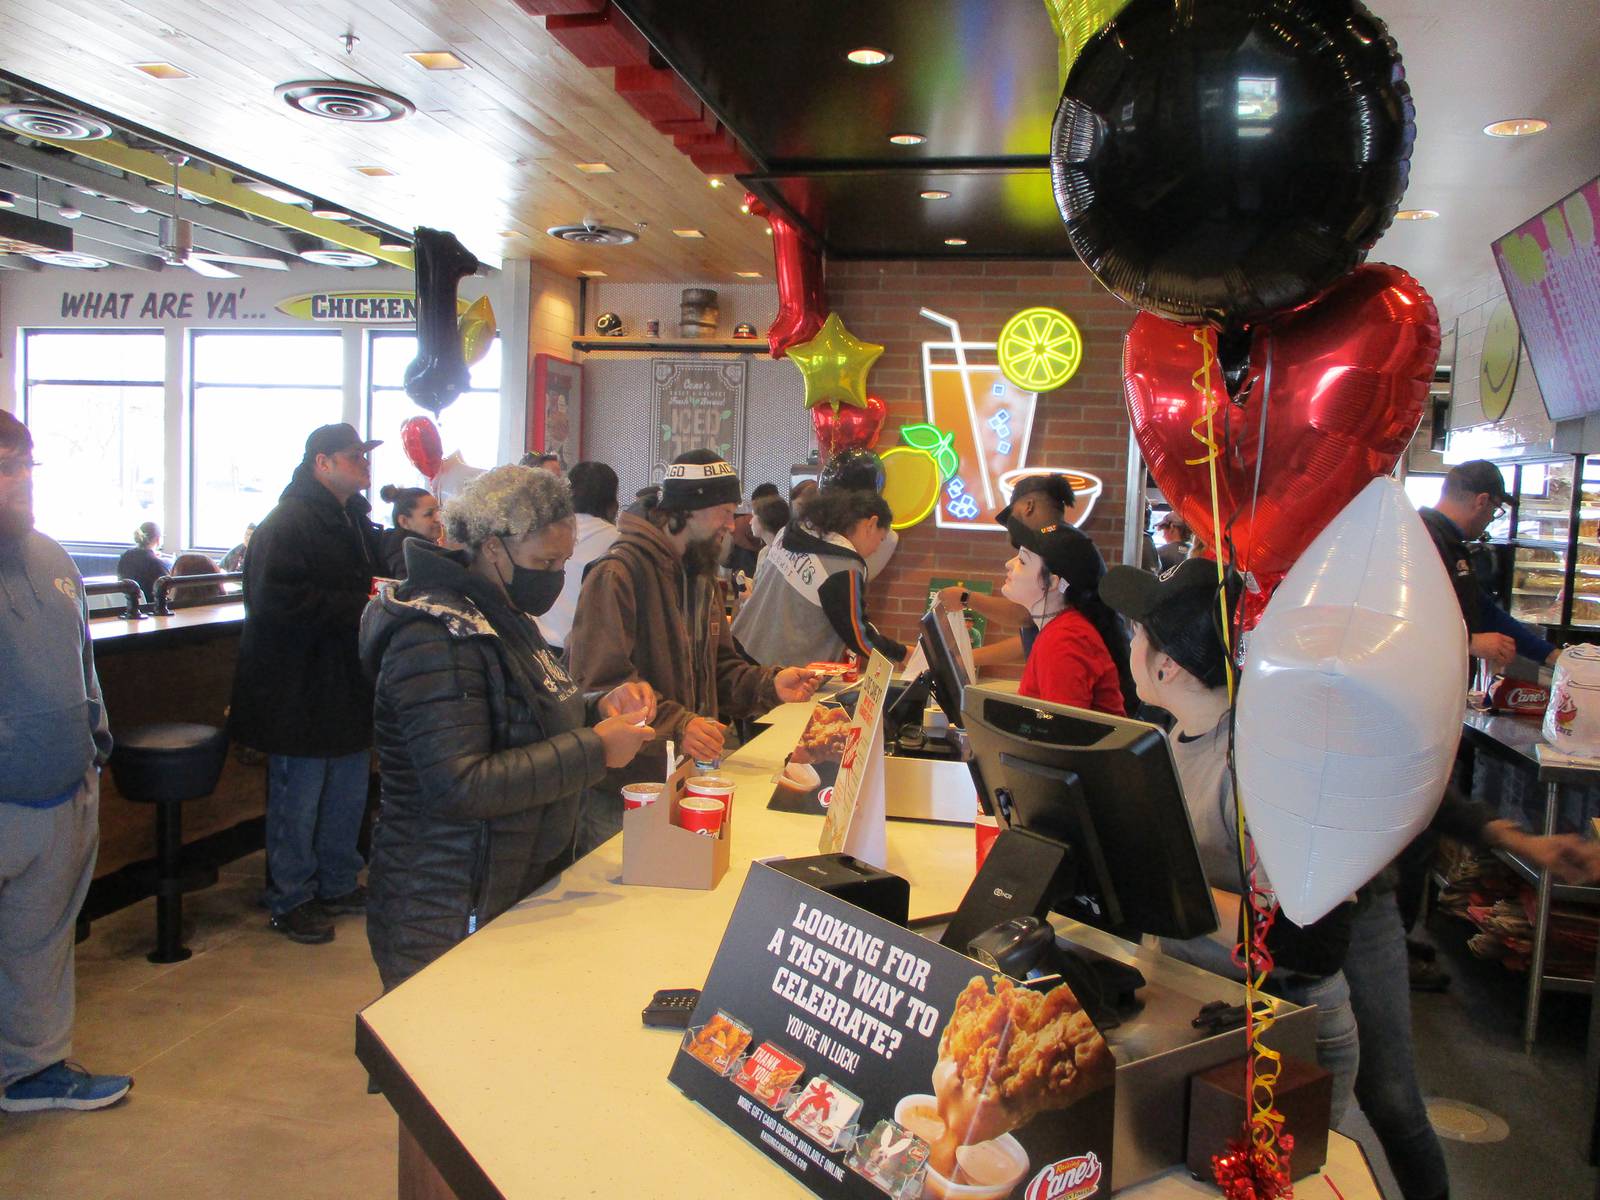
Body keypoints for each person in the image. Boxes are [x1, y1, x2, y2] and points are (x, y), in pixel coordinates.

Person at [359, 466, 655, 992]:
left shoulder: (500, 611)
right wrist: (594, 749)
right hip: (446, 897)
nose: (554, 576)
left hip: (504, 878)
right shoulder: (435, 636)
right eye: (544, 562)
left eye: (563, 563)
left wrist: (595, 707)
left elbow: (524, 712)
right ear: (494, 548)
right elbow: (460, 783)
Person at [1100, 558, 1361, 1126]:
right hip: (1200, 1001)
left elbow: (1309, 940)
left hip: (1279, 1031)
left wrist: (1162, 885)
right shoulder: (1176, 733)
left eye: (1138, 632)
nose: (1130, 642)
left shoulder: (1260, 765)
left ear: (1166, 666)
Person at [567, 450, 821, 854]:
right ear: (684, 511)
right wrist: (680, 724)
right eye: (721, 510)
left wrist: (770, 684)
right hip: (623, 793)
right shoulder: (616, 574)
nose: (730, 522)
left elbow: (718, 668)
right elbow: (600, 686)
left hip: (686, 778)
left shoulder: (699, 577)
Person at [0, 410, 131, 1113]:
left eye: (24, 463)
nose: (18, 480)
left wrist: (94, 747)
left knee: (39, 948)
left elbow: (84, 668)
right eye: (2, 464)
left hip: (61, 794)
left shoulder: (52, 559)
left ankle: (33, 1071)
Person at [228, 423, 384, 945]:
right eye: (353, 456)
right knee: (300, 793)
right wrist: (361, 607)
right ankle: (291, 896)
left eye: (364, 454)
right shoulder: (289, 522)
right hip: (297, 683)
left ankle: (338, 880)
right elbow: (275, 604)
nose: (364, 463)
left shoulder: (353, 519)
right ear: (321, 463)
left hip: (343, 679)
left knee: (346, 787)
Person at [733, 488, 906, 668]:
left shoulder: (791, 530)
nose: (876, 549)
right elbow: (860, 638)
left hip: (740, 645)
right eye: (881, 539)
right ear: (871, 524)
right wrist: (902, 653)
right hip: (775, 671)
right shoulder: (844, 567)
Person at [1419, 459, 1559, 672]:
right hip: (1416, 690)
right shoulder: (1422, 538)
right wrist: (1469, 643)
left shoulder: (1452, 543)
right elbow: (1401, 618)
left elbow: (1483, 609)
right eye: (1496, 511)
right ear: (1482, 501)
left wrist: (1551, 655)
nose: (1491, 520)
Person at [935, 474, 1078, 671]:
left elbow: (1023, 615)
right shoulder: (1058, 542)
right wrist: (963, 659)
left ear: (1029, 506)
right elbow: (1029, 637)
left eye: (1022, 561)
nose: (1009, 565)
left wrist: (967, 598)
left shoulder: (1060, 550)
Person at [992, 520, 1135, 715]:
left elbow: (1063, 734)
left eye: (1023, 561)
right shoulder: (1061, 629)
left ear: (1052, 582)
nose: (1009, 564)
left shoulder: (1063, 640)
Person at [538, 461, 620, 652]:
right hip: (581, 648)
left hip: (538, 642)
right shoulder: (617, 540)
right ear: (611, 500)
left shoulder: (546, 530)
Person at [376, 485, 443, 579]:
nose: (438, 519)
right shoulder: (407, 558)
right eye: (429, 514)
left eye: (439, 512)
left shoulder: (399, 549)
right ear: (404, 521)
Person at [116, 521, 169, 603]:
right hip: (150, 609)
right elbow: (167, 591)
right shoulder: (157, 564)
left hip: (126, 606)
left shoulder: (125, 557)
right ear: (158, 539)